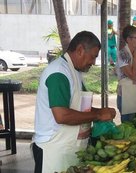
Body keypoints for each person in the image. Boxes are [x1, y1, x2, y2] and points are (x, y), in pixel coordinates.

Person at [32, 31, 116, 173]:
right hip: (53, 151)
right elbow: (62, 115)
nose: (93, 62)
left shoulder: (75, 71)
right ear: (80, 50)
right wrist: (98, 115)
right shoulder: (58, 73)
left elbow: (79, 108)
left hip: (69, 149)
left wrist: (101, 112)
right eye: (93, 56)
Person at [116, 25, 136, 123]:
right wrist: (135, 58)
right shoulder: (122, 54)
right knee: (128, 126)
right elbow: (133, 76)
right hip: (126, 94)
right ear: (128, 39)